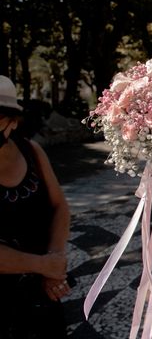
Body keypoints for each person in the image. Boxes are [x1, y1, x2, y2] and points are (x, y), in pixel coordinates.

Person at [0, 75, 71, 338]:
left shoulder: (31, 151)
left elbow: (59, 207)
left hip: (40, 293)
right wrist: (43, 265)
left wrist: (54, 262)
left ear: (12, 120)